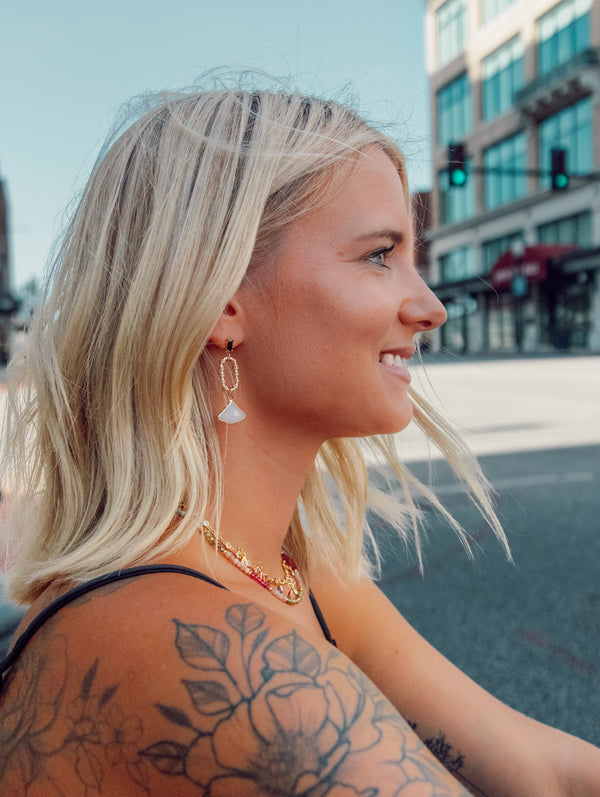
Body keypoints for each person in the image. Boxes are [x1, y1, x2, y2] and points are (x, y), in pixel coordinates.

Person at [0, 80, 598, 797]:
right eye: (380, 255)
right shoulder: (186, 640)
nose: (431, 306)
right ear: (222, 300)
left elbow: (542, 769)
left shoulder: (287, 576)